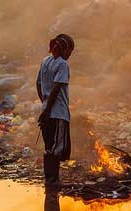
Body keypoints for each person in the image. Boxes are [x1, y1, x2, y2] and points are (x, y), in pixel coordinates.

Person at [36, 34, 75, 187]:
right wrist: (47, 110)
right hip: (58, 113)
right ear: (63, 49)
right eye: (70, 51)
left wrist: (44, 104)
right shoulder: (62, 65)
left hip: (48, 110)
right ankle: (53, 180)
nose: (70, 54)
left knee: (49, 146)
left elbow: (38, 84)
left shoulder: (45, 61)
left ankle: (50, 179)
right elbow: (56, 88)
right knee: (57, 148)